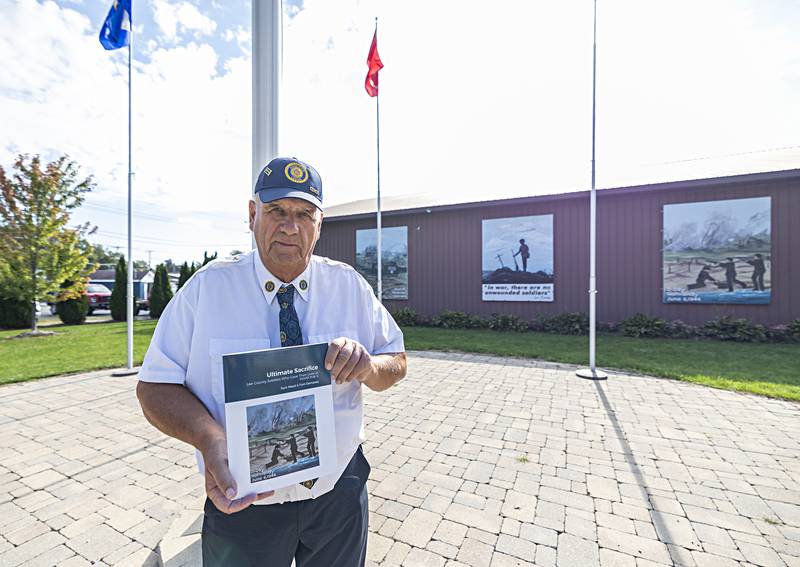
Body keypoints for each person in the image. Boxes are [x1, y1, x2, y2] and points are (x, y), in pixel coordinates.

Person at [135, 156, 407, 567]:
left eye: (304, 214)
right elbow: (154, 386)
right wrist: (209, 439)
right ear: (251, 214)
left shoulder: (348, 285)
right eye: (276, 211)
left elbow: (397, 360)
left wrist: (369, 367)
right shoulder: (207, 290)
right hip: (243, 504)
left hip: (338, 496)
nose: (289, 226)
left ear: (319, 225)